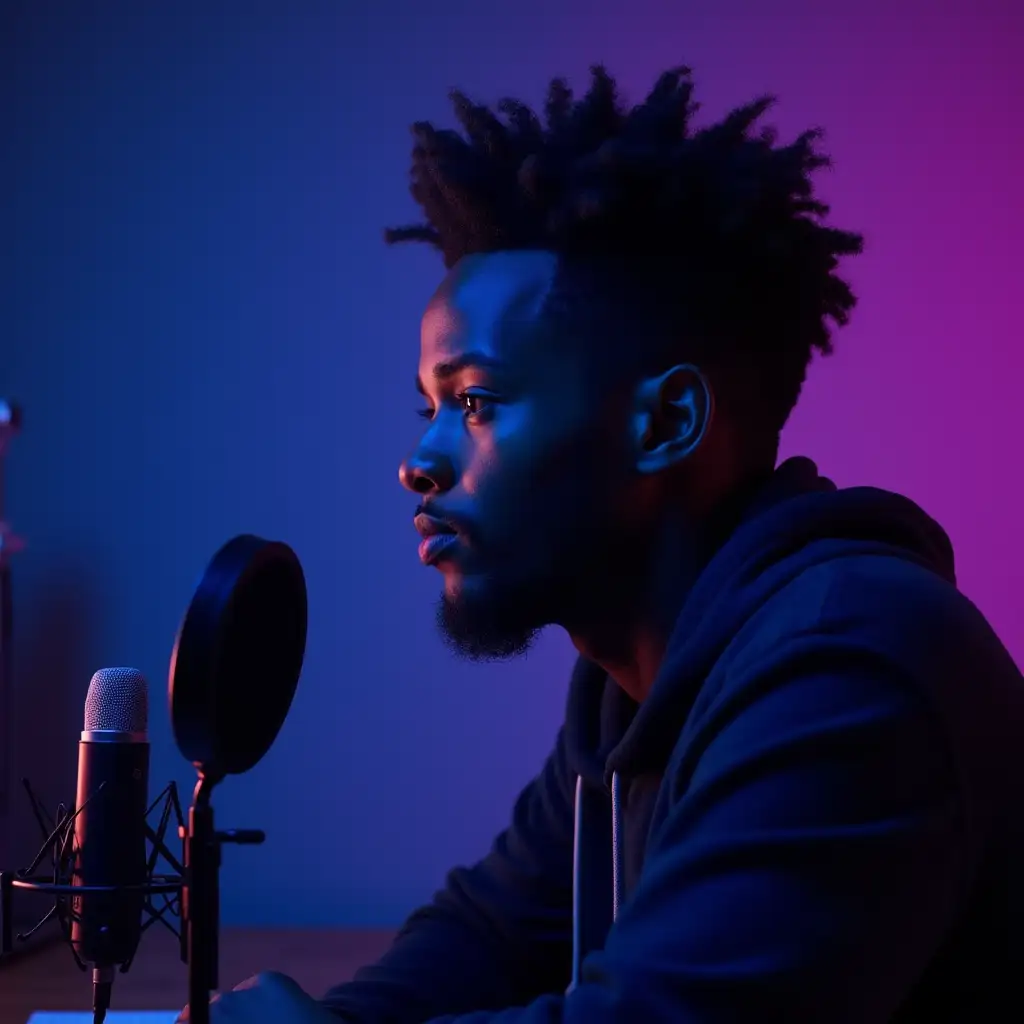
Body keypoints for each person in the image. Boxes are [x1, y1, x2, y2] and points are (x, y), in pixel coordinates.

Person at [180, 64, 1024, 1023]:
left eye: (475, 403)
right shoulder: (633, 688)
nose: (419, 459)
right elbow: (490, 937)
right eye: (427, 408)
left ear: (665, 422)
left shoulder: (852, 670)